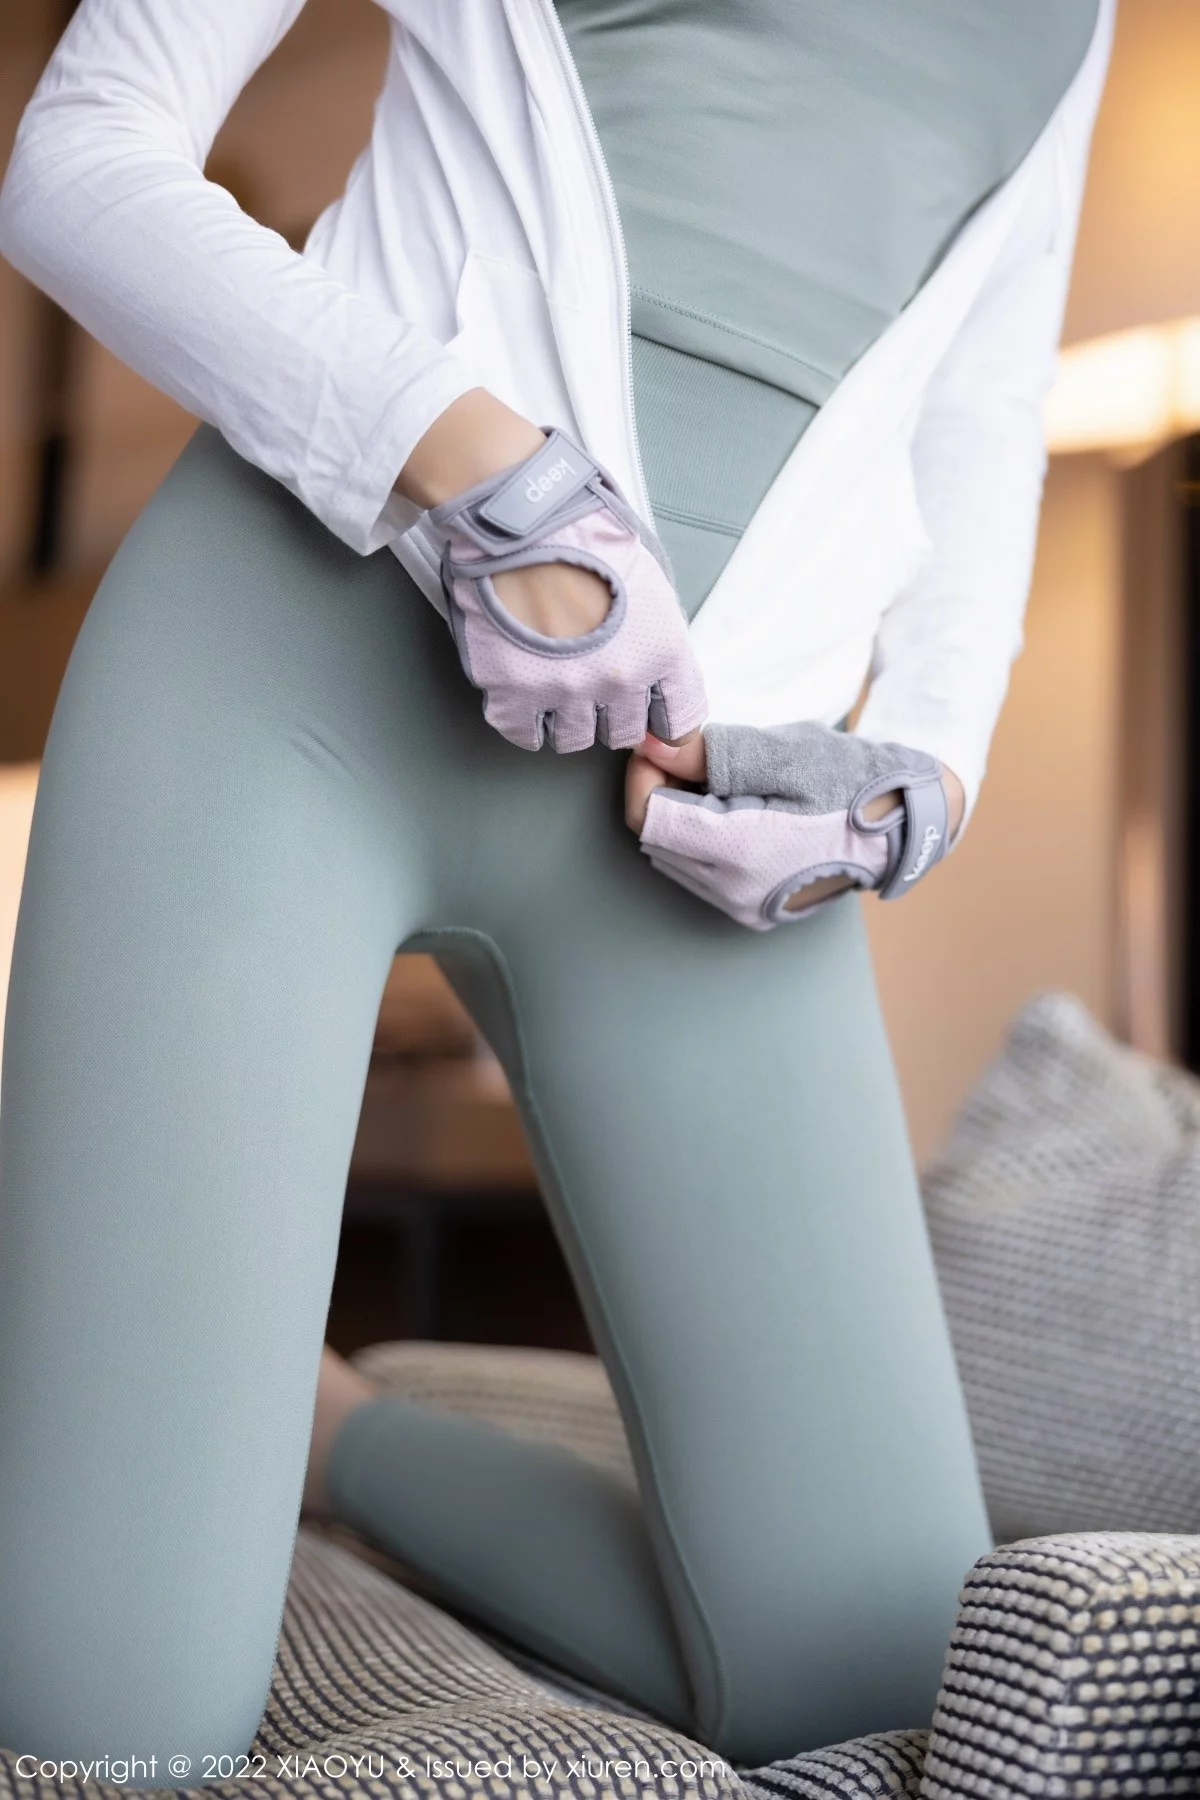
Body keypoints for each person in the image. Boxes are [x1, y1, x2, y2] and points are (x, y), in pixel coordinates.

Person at [0, 0, 1114, 1775]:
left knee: (900, 1693)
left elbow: (982, 396)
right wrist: (477, 471)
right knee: (113, 1725)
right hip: (282, 681)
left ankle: (337, 1440)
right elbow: (82, 153)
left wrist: (931, 760)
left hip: (709, 822)